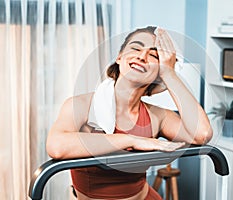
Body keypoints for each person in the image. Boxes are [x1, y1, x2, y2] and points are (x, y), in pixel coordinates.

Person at [46, 26, 213, 200]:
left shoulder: (158, 116)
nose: (142, 56)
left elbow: (202, 134)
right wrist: (132, 140)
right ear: (119, 57)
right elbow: (56, 146)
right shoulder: (81, 106)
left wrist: (169, 74)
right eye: (135, 48)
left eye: (153, 55)